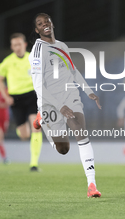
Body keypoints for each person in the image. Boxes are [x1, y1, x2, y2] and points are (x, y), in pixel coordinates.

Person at [30, 13, 102, 198]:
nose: (45, 24)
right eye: (40, 23)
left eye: (47, 21)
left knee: (80, 131)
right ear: (37, 30)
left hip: (70, 96)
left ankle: (91, 184)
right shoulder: (38, 52)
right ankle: (41, 119)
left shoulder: (61, 46)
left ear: (52, 23)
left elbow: (73, 70)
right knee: (63, 149)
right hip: (49, 103)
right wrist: (59, 106)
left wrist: (88, 91)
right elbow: (38, 87)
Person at [0, 33, 42, 172]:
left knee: (36, 125)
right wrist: (5, 96)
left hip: (32, 95)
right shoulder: (7, 62)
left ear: (25, 44)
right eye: (14, 45)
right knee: (24, 135)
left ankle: (33, 164)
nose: (17, 47)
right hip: (15, 98)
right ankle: (22, 131)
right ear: (12, 47)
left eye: (19, 44)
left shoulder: (33, 58)